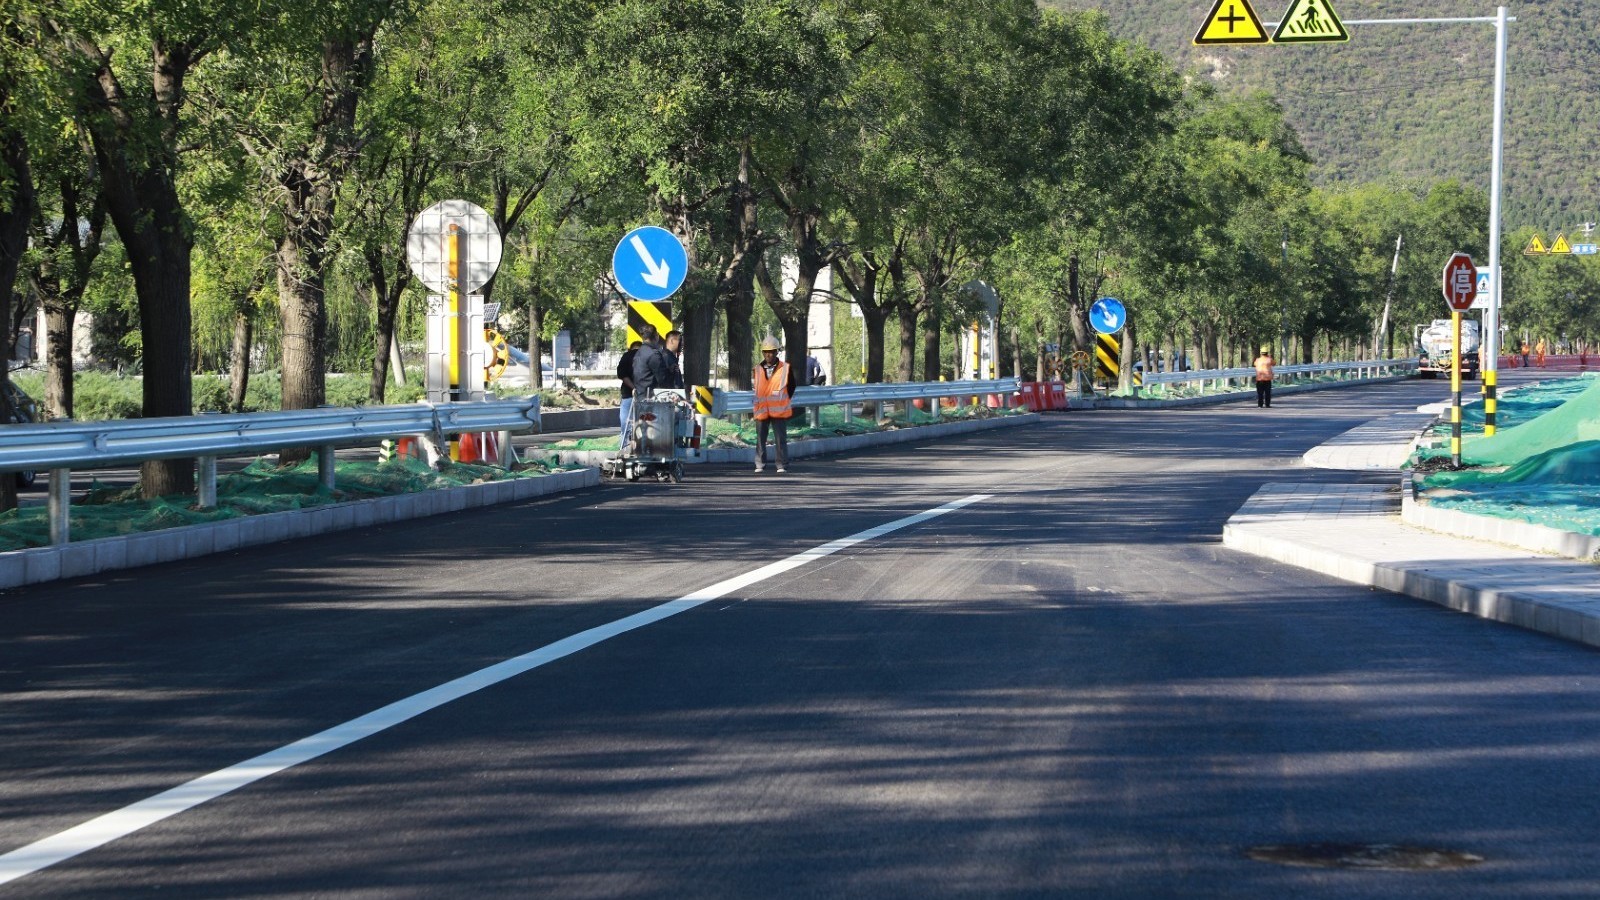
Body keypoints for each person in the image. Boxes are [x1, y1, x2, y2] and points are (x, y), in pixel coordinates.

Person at [753, 336, 795, 473]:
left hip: (779, 410)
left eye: (771, 351)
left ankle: (782, 464)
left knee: (780, 439)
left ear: (777, 352)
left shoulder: (785, 368)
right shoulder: (758, 369)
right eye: (765, 352)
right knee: (760, 439)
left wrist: (781, 399)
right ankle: (760, 464)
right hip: (762, 409)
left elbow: (791, 386)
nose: (768, 354)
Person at [631, 325, 671, 400]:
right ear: (656, 335)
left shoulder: (638, 353)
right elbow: (662, 378)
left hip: (640, 397)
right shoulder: (653, 354)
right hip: (652, 399)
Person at [617, 340, 641, 445]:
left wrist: (633, 388)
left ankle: (624, 447)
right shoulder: (646, 356)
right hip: (644, 395)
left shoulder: (626, 356)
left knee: (625, 425)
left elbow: (622, 375)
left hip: (628, 394)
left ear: (630, 348)